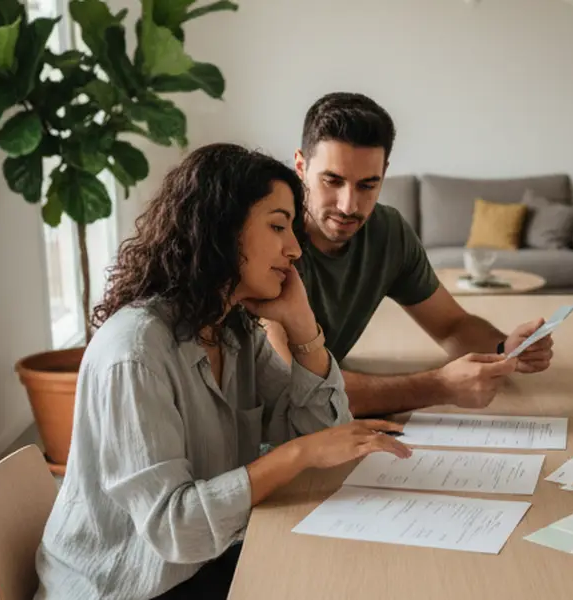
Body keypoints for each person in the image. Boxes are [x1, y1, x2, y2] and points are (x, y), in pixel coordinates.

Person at [34, 143, 412, 600]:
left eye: (292, 228)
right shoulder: (134, 353)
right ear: (220, 231)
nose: (295, 249)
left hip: (198, 561)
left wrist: (303, 327)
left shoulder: (231, 329)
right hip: (128, 585)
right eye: (277, 226)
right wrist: (299, 454)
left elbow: (321, 430)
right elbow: (175, 530)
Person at [263, 92, 556, 417]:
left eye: (367, 185)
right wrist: (439, 386)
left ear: (384, 173)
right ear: (301, 166)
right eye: (332, 181)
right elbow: (292, 391)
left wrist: (505, 348)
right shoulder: (268, 241)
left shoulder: (387, 232)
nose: (349, 206)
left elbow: (452, 325)